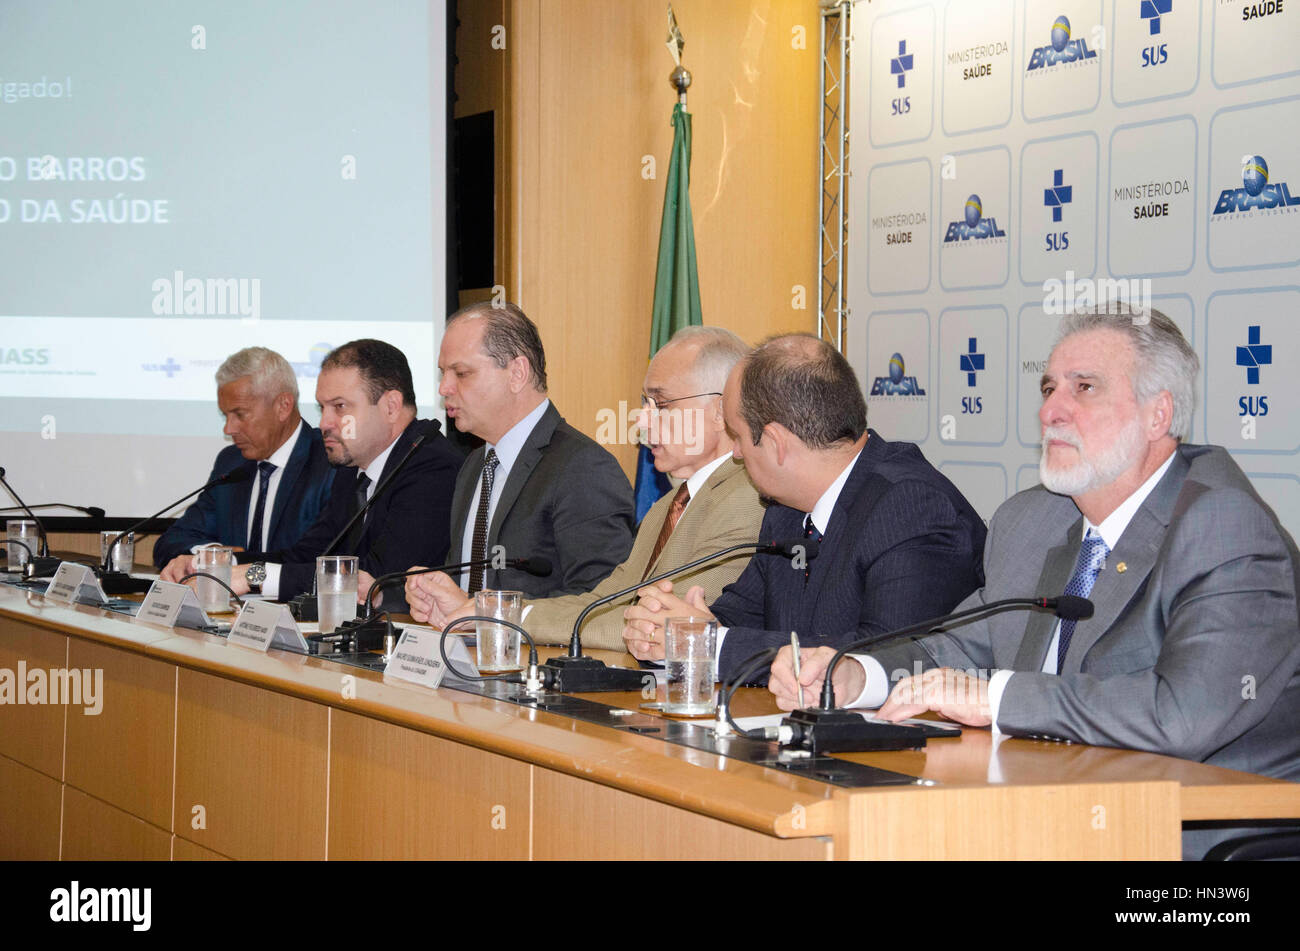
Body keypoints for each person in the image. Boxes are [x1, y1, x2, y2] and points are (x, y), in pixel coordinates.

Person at [768, 310, 1300, 857]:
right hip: (1048, 816)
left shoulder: (1225, 527)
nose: (1050, 411)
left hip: (1189, 842)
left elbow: (1181, 712)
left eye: (1084, 388)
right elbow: (961, 641)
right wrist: (857, 675)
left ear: (1157, 413)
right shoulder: (1033, 519)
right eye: (1048, 388)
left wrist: (995, 696)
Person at [623, 333, 987, 679]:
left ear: (776, 443)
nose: (735, 453)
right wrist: (669, 631)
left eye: (737, 436)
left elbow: (883, 658)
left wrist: (712, 646)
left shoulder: (911, 507)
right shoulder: (785, 509)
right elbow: (737, 618)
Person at [406, 325, 765, 649]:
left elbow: (655, 629)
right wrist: (481, 611)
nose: (641, 419)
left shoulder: (747, 499)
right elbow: (601, 601)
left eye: (662, 403)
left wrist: (498, 618)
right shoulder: (667, 505)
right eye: (644, 403)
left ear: (722, 410)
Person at [167, 339, 463, 610]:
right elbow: (308, 556)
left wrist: (253, 577)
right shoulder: (352, 469)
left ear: (390, 406)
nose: (324, 423)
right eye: (322, 408)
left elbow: (377, 579)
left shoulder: (432, 468)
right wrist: (219, 567)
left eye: (339, 407)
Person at [405, 301, 635, 604]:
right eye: (443, 373)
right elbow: (470, 586)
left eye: (461, 373)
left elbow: (600, 600)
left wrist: (482, 613)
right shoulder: (475, 464)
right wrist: (437, 599)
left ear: (517, 373)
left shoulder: (583, 468)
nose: (444, 388)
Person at [154, 347, 334, 571]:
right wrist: (213, 555)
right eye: (225, 415)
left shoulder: (330, 463)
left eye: (240, 414)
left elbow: (319, 559)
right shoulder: (232, 462)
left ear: (283, 406)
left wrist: (232, 562)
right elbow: (171, 542)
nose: (228, 428)